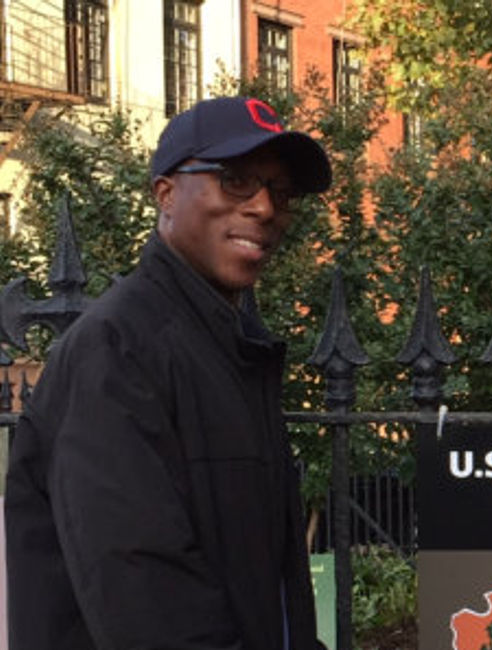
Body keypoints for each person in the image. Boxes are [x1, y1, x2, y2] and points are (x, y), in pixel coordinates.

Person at [5, 96, 332, 649]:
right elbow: (147, 601)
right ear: (166, 193)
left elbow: (260, 589)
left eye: (281, 191)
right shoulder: (117, 350)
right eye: (235, 180)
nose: (263, 207)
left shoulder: (230, 353)